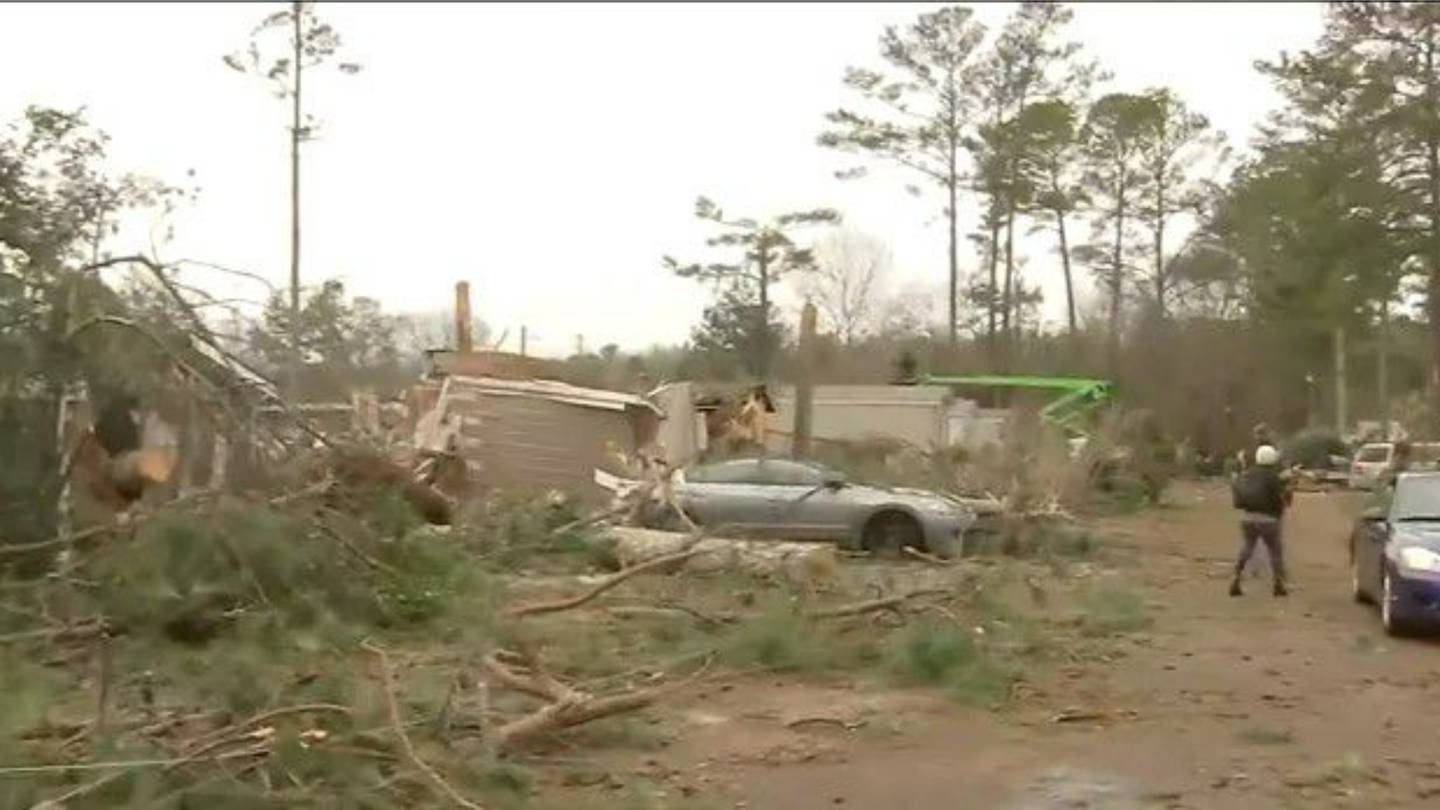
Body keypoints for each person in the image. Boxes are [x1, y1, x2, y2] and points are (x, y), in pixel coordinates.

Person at [1230, 444, 1291, 598]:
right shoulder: (1273, 476)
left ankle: (1236, 577)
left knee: (1248, 547)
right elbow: (1280, 499)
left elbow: (1238, 496)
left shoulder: (1247, 474)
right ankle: (1278, 583)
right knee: (1275, 550)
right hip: (1269, 519)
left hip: (1248, 518)